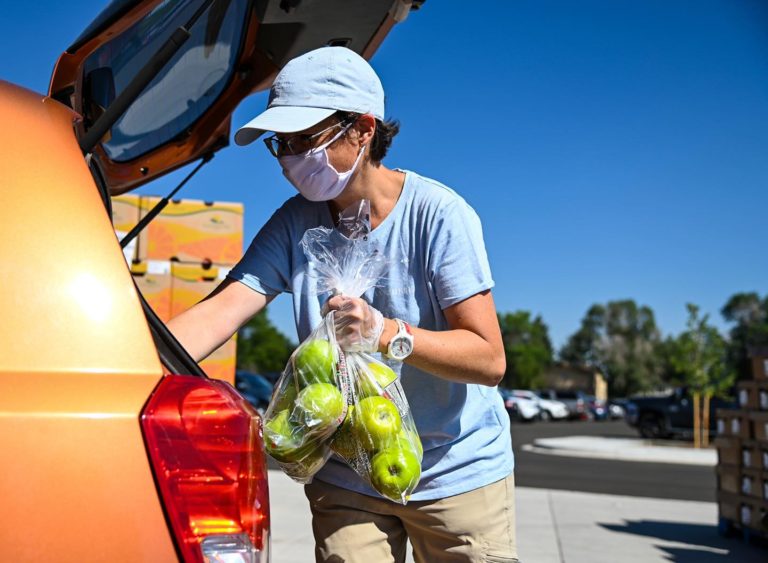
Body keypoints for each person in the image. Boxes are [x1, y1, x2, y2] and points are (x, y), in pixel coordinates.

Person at [167, 46, 517, 563]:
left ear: (363, 128)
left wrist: (386, 333)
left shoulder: (438, 215)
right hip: (346, 472)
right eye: (281, 143)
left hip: (454, 472)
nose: (290, 157)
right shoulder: (294, 222)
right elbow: (221, 311)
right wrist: (129, 366)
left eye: (306, 139)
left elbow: (488, 360)